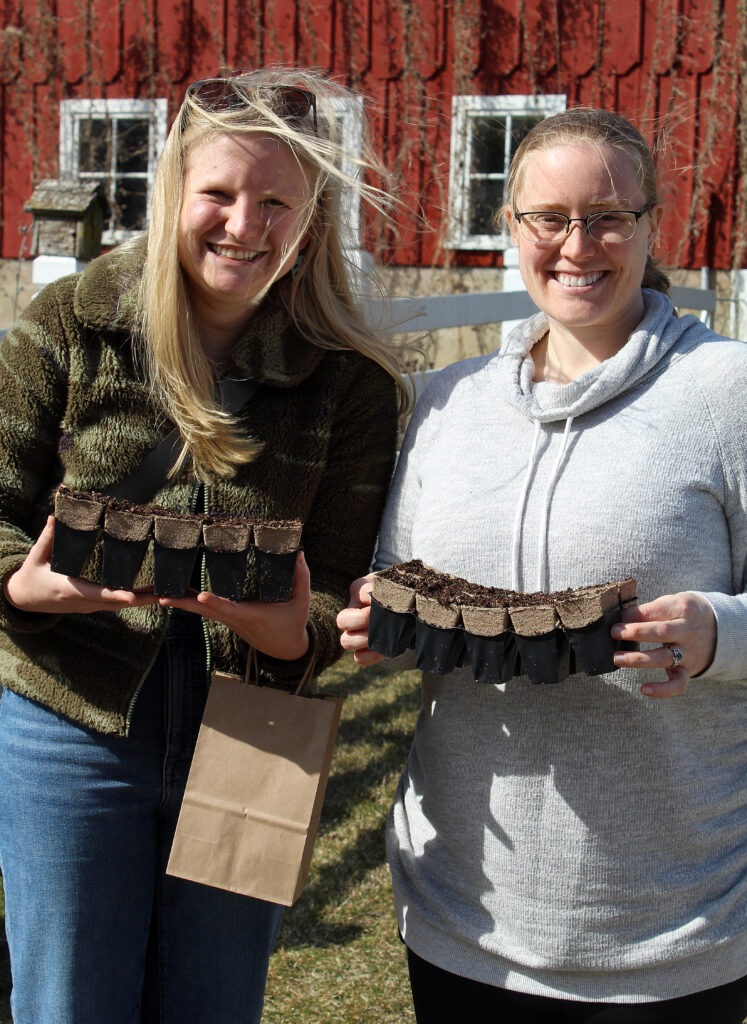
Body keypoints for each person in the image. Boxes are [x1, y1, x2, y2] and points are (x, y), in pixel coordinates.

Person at [0, 67, 408, 1024]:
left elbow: (339, 585)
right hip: (75, 714)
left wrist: (282, 629)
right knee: (69, 1004)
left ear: (310, 215)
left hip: (256, 731)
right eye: (219, 193)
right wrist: (24, 590)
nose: (244, 224)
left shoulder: (345, 382)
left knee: (215, 1005)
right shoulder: (69, 329)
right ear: (174, 189)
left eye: (276, 201)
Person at [338, 107, 747, 1023]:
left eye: (608, 216)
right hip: (460, 908)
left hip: (668, 922)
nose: (577, 245)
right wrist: (380, 624)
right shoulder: (448, 405)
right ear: (511, 228)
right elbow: (401, 598)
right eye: (547, 218)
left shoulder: (726, 394)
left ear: (649, 225)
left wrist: (718, 633)